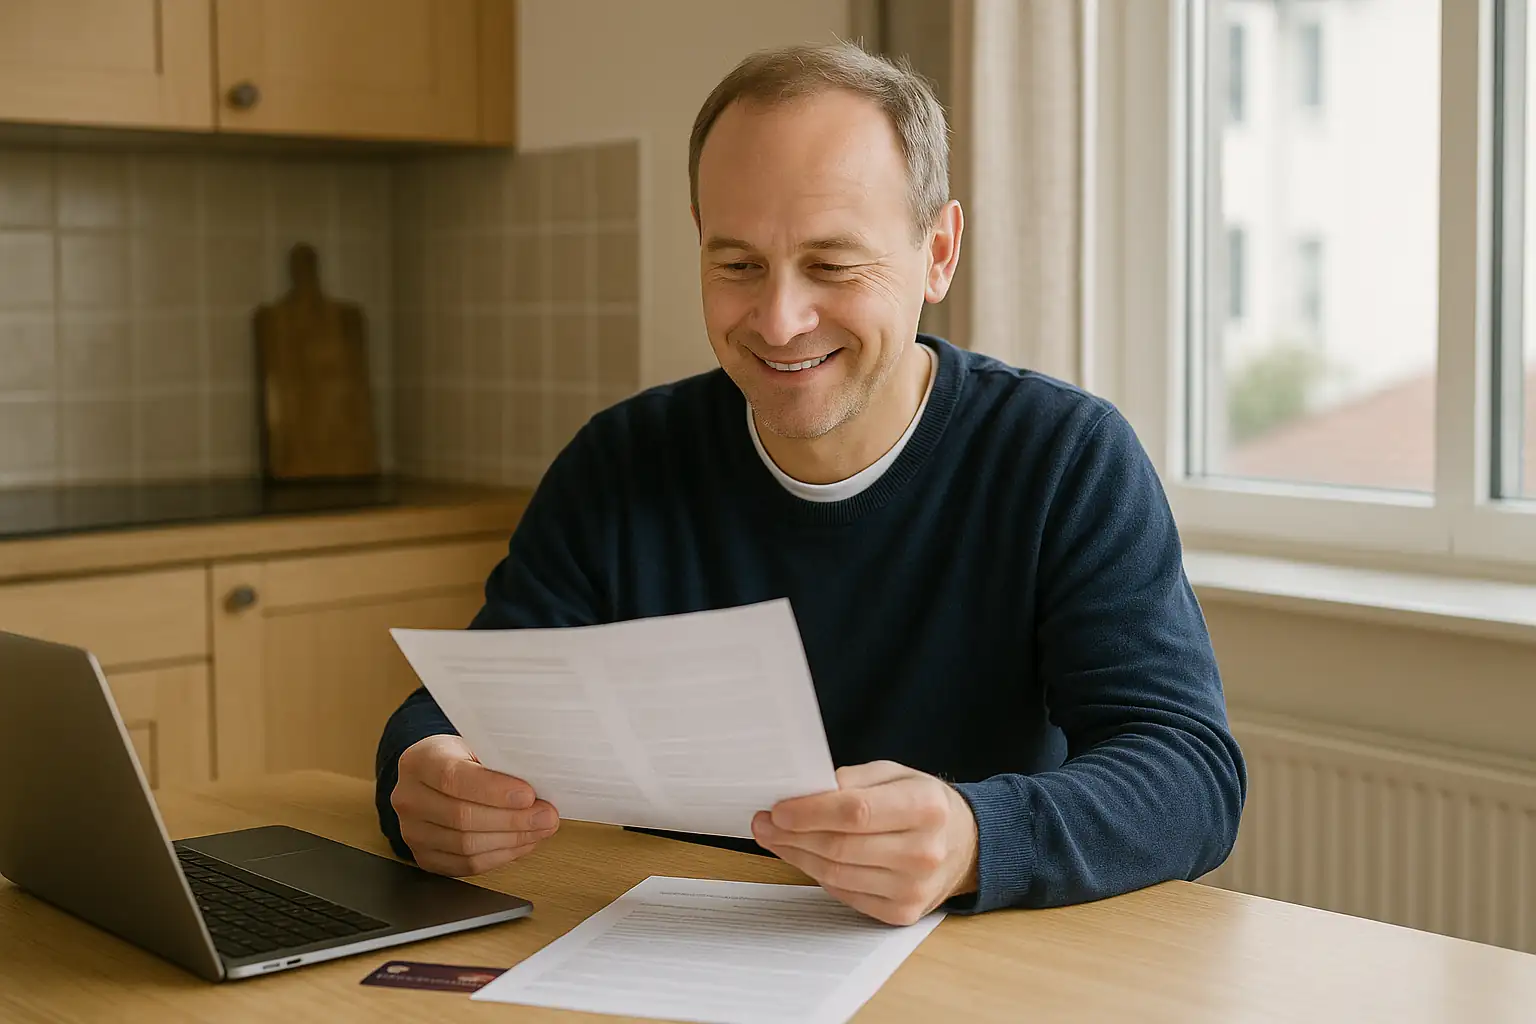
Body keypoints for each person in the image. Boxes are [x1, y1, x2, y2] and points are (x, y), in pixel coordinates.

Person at [376, 41, 1245, 926]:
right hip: (670, 950)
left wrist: (975, 837)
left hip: (968, 968)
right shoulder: (619, 462)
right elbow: (463, 708)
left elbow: (1189, 774)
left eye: (832, 265)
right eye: (738, 264)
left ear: (938, 252)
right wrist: (428, 775)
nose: (781, 320)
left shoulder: (1064, 457)